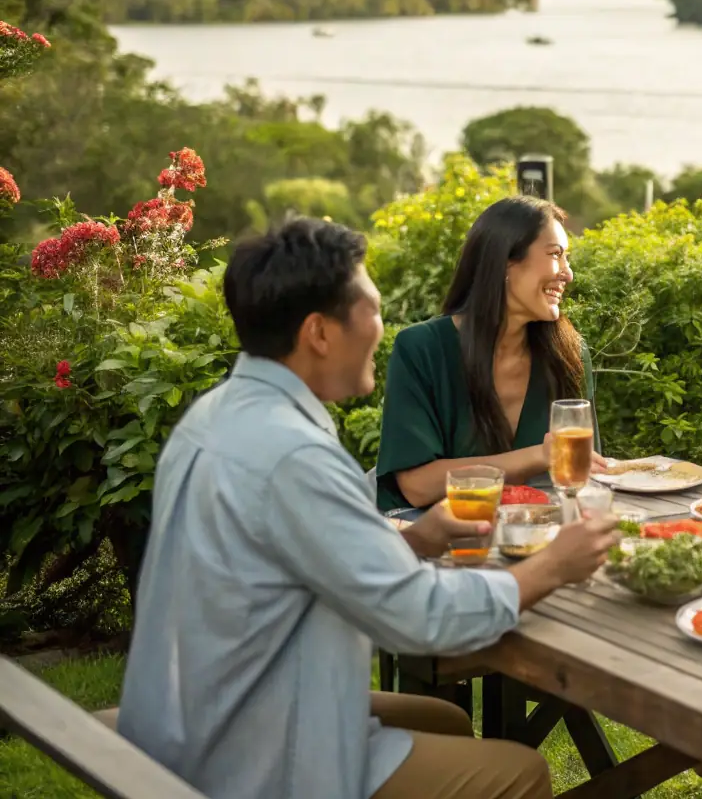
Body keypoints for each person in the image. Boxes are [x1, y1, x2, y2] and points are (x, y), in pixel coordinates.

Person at [117, 217, 620, 799]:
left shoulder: (216, 416)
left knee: (453, 724)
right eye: (372, 310)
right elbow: (419, 616)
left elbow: (302, 556)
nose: (382, 331)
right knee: (522, 772)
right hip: (251, 754)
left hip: (202, 706)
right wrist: (554, 566)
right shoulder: (293, 455)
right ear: (320, 333)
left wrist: (418, 539)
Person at [375, 195, 604, 512]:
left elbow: (582, 476)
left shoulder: (569, 354)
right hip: (435, 541)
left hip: (538, 535)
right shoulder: (422, 349)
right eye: (556, 255)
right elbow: (417, 486)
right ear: (506, 261)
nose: (568, 274)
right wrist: (538, 455)